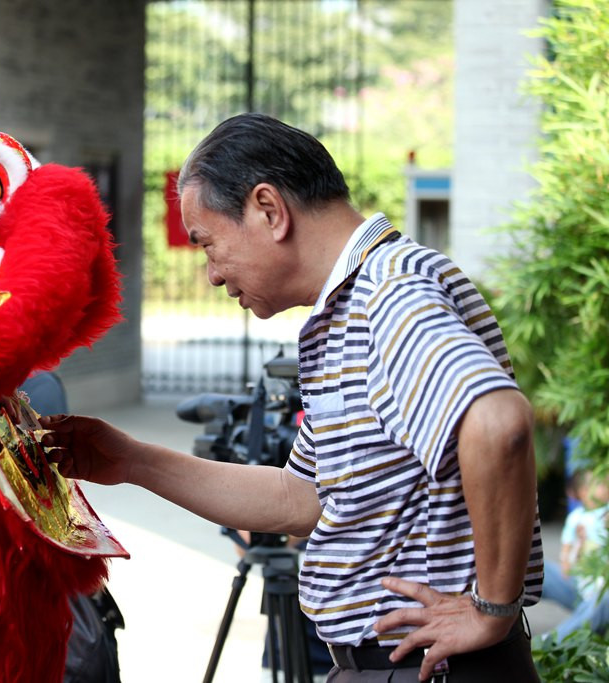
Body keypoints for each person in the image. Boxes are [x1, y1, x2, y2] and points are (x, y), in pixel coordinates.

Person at [42, 113, 543, 682]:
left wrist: (491, 610)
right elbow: (301, 498)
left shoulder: (391, 295)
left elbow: (499, 423)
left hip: (433, 667)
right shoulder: (351, 307)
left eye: (207, 244)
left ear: (269, 210)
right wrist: (129, 459)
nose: (210, 274)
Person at [542, 470, 608, 640]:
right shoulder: (577, 518)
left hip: (601, 586)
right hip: (583, 580)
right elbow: (568, 548)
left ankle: (551, 645)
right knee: (533, 567)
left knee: (602, 598)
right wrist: (568, 557)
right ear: (582, 493)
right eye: (599, 484)